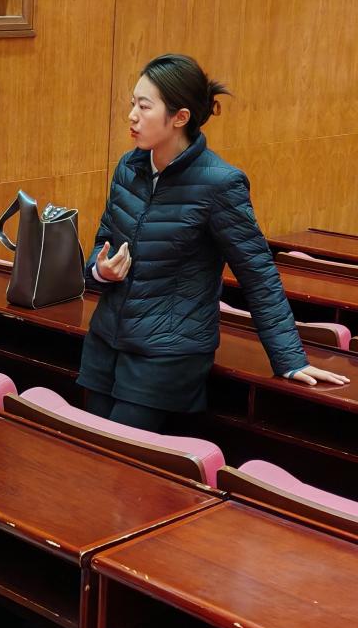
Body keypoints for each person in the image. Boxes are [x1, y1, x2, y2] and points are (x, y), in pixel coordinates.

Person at [80, 54, 348, 432]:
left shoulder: (220, 184)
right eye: (132, 103)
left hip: (167, 352)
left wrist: (290, 359)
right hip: (105, 341)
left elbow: (258, 274)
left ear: (180, 117)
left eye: (144, 106)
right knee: (86, 445)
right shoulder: (129, 166)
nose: (132, 116)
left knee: (117, 454)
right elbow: (105, 238)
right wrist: (100, 270)